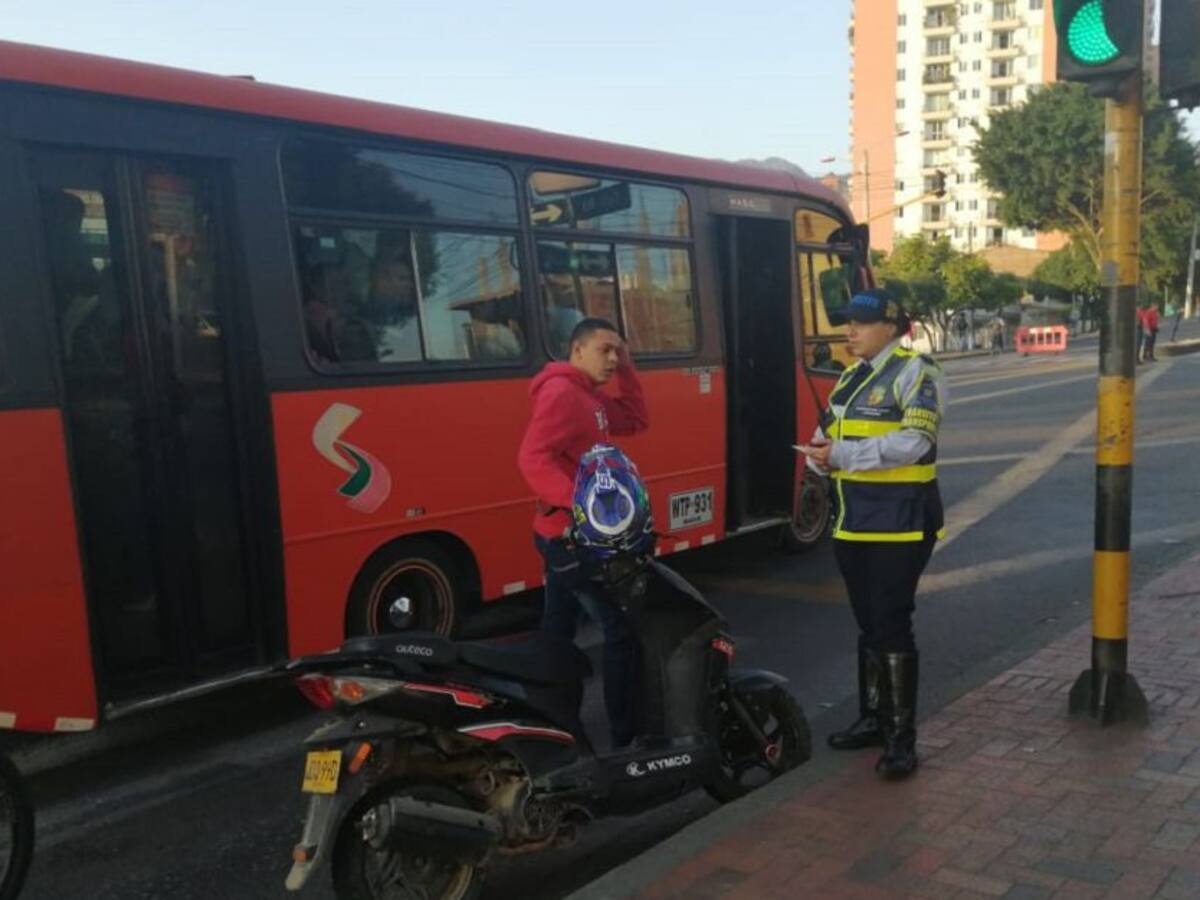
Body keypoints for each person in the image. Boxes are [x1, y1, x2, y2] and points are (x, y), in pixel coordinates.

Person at [798, 288, 946, 781]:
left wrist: (841, 456)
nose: (849, 331)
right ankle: (874, 718)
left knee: (890, 622)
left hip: (900, 523)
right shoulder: (849, 377)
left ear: (890, 326)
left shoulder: (916, 372)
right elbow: (834, 433)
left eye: (859, 323)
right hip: (853, 519)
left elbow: (914, 442)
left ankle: (902, 740)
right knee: (869, 626)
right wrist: (818, 455)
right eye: (847, 322)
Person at [518, 318, 650, 748]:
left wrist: (628, 368)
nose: (612, 358)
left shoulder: (588, 396)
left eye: (618, 351)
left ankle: (550, 725)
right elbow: (533, 458)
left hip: (563, 534)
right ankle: (625, 738)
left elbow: (634, 418)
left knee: (557, 630)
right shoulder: (561, 393)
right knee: (620, 631)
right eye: (605, 350)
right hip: (570, 537)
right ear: (577, 351)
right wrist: (585, 508)